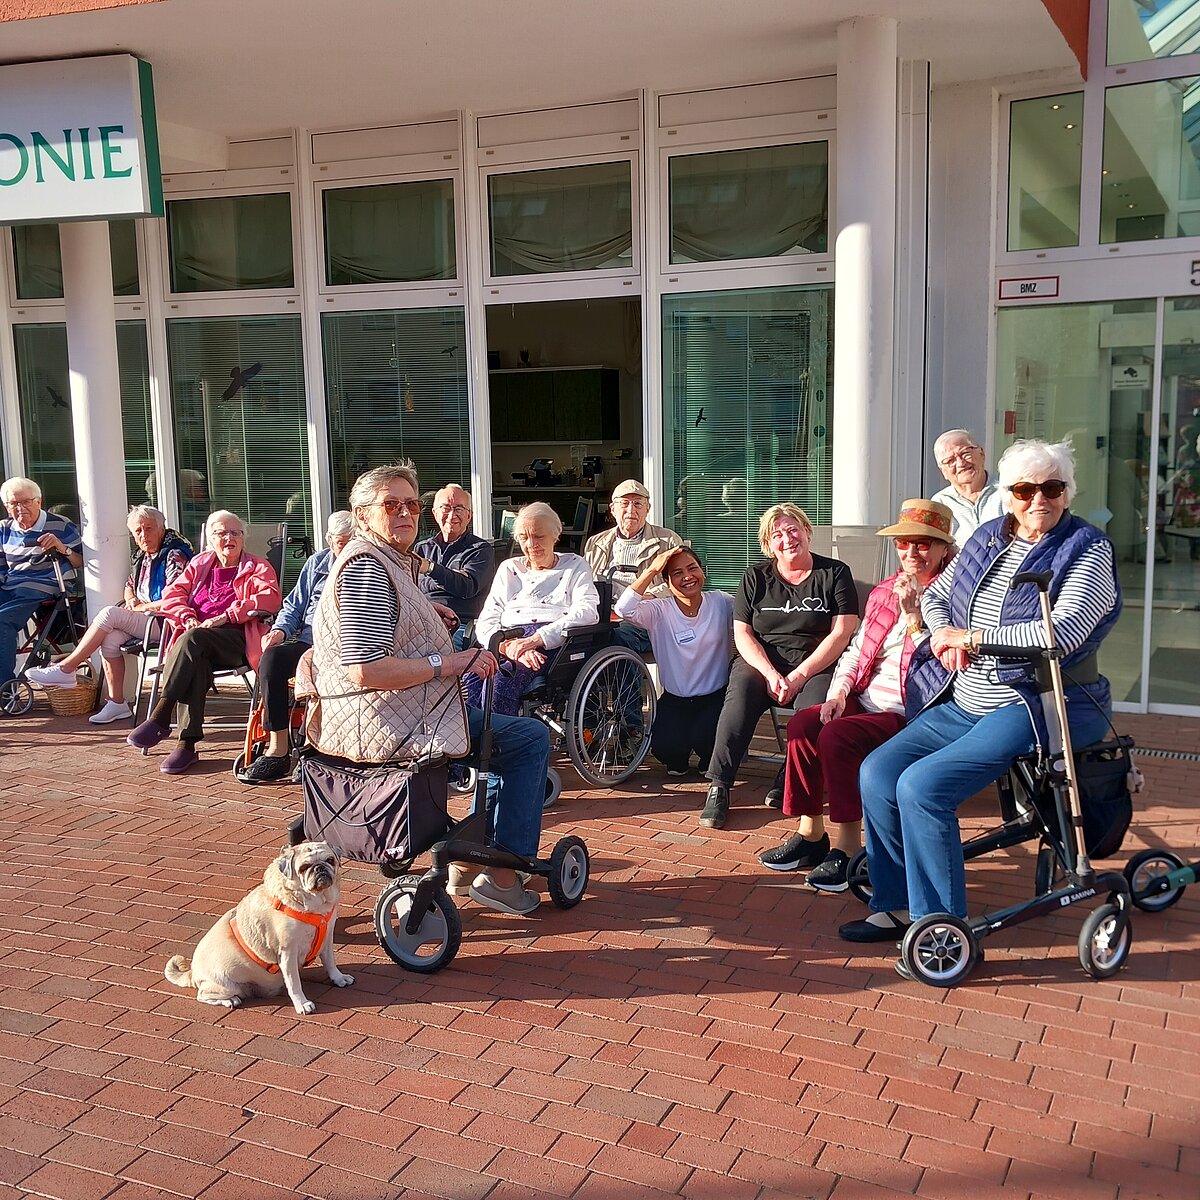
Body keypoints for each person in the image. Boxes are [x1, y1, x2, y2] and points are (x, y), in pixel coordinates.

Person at [842, 440, 1121, 962]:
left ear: (1067, 492)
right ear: (1009, 494)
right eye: (1025, 489)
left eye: (1052, 488)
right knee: (878, 772)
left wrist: (972, 639)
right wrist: (942, 633)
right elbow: (936, 594)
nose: (1038, 499)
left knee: (923, 786)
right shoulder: (988, 536)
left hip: (1034, 703)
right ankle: (896, 903)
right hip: (968, 699)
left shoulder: (1086, 548)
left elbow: (1061, 632)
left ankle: (940, 925)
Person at [305, 462, 548, 916]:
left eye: (412, 505)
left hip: (394, 712)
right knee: (528, 739)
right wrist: (451, 662)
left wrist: (425, 608)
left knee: (501, 739)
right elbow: (366, 669)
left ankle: (469, 861)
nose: (405, 513)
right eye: (391, 504)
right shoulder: (367, 567)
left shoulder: (386, 561)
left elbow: (380, 622)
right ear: (362, 515)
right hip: (394, 722)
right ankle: (500, 876)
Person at [757, 499, 955, 888]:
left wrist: (914, 617)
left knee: (837, 737)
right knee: (804, 725)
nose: (911, 552)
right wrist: (837, 694)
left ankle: (848, 848)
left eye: (923, 544)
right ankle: (811, 834)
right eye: (903, 543)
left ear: (943, 548)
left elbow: (946, 664)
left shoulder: (954, 596)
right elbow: (856, 651)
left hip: (912, 710)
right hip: (864, 698)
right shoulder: (885, 590)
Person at [701, 503, 859, 831]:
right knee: (739, 697)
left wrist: (799, 675)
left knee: (812, 713)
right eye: (777, 535)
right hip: (762, 664)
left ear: (807, 532)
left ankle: (789, 773)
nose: (787, 539)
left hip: (816, 664)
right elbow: (743, 634)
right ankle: (720, 784)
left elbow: (842, 632)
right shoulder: (755, 577)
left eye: (793, 530)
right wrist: (771, 674)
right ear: (768, 544)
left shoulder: (834, 573)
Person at [126, 510, 282, 775]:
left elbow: (270, 598)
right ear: (210, 539)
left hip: (237, 640)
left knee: (193, 641)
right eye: (221, 533)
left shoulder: (257, 567)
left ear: (243, 538)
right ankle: (186, 745)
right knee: (195, 658)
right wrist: (188, 618)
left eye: (235, 533)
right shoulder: (200, 563)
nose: (229, 538)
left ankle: (161, 715)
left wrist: (226, 617)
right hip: (196, 643)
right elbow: (172, 595)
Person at [27, 506, 192, 723]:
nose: (143, 535)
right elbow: (129, 585)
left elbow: (176, 598)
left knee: (108, 614)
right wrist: (131, 600)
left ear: (162, 530)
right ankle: (117, 703)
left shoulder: (174, 556)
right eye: (138, 531)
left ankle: (67, 667)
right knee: (110, 639)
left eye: (149, 528)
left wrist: (141, 608)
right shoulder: (143, 556)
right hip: (148, 620)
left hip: (169, 622)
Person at [235, 511, 353, 783]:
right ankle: (278, 750)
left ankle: (315, 749)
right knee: (273, 659)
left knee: (322, 672)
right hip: (310, 640)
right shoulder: (316, 563)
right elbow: (294, 606)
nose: (347, 549)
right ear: (329, 540)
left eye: (352, 542)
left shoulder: (366, 566)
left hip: (346, 645)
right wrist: (279, 630)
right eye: (340, 543)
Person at [613, 546, 733, 776]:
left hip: (715, 697)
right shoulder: (659, 610)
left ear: (702, 572)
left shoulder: (721, 601)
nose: (687, 577)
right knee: (667, 751)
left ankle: (708, 754)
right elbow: (623, 609)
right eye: (677, 573)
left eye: (692, 568)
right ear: (667, 583)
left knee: (707, 741)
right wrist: (651, 570)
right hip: (675, 699)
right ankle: (683, 750)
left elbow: (753, 613)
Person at [474, 502, 600, 716]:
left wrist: (536, 640)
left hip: (554, 642)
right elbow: (488, 617)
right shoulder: (509, 568)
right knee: (470, 678)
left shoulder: (575, 565)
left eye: (539, 536)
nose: (531, 544)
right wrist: (508, 646)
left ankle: (501, 736)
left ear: (556, 534)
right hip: (506, 640)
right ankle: (472, 736)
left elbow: (587, 611)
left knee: (502, 680)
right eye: (524, 537)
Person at [0, 476, 84, 692]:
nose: (20, 508)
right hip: (12, 585)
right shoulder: (4, 529)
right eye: (13, 503)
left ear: (39, 501)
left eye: (26, 502)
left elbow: (81, 561)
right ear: (6, 506)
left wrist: (62, 548)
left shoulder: (60, 525)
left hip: (46, 584)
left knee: (3, 621)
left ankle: (4, 689)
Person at [584, 479, 681, 655]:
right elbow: (585, 583)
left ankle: (623, 674)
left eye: (638, 504)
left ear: (647, 509)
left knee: (617, 638)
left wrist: (647, 596)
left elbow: (681, 583)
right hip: (605, 615)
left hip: (646, 618)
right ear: (612, 509)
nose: (631, 510)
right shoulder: (596, 543)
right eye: (625, 503)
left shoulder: (667, 541)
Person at [412, 484, 495, 651]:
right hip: (421, 620)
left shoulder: (480, 550)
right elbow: (412, 588)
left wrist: (430, 568)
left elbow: (466, 587)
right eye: (446, 508)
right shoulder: (422, 548)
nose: (452, 515)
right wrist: (449, 578)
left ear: (469, 515)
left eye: (459, 509)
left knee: (431, 654)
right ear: (435, 513)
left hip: (460, 624)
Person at [930, 429, 1005, 542]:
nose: (961, 463)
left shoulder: (1007, 489)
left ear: (982, 454)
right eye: (950, 461)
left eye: (965, 454)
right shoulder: (940, 503)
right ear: (943, 471)